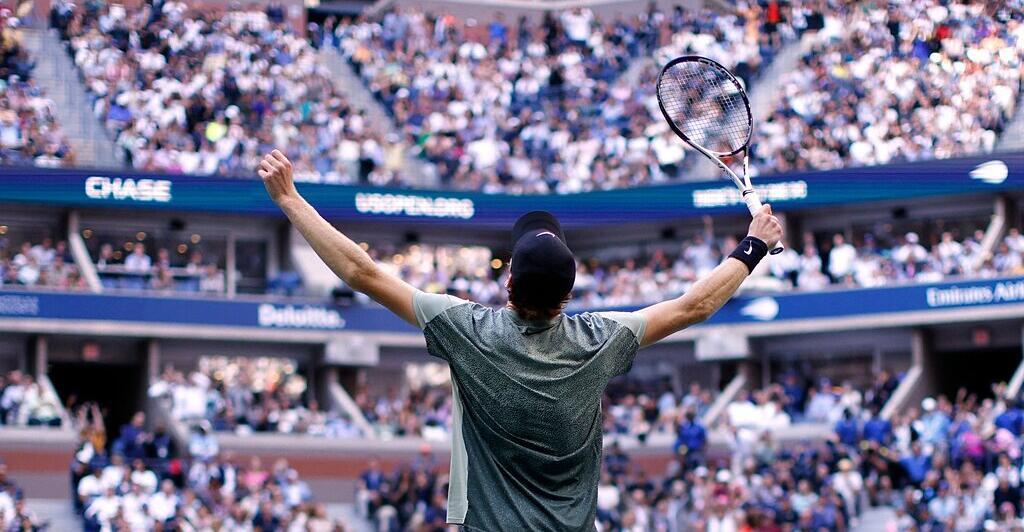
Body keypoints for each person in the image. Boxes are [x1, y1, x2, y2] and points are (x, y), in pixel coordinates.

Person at [257, 150, 783, 530]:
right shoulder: (602, 339)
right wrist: (753, 246)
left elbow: (362, 272)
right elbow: (693, 305)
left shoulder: (466, 330)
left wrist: (290, 200)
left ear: (508, 281)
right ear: (571, 292)